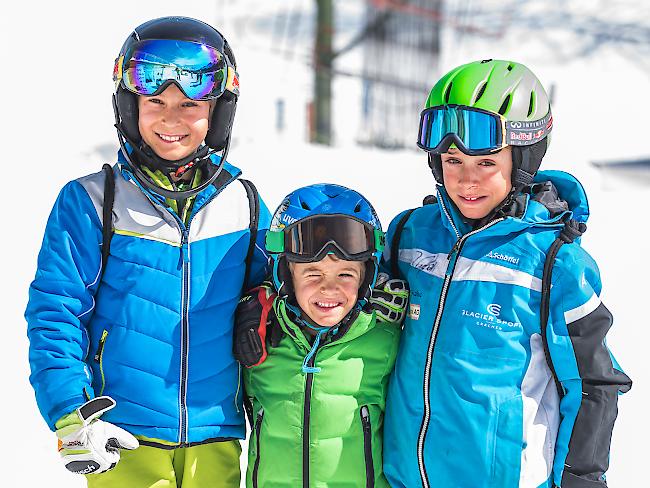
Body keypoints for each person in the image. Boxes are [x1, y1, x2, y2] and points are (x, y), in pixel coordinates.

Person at [25, 16, 270, 487]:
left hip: (215, 441)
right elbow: (55, 313)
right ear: (128, 106)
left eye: (190, 105)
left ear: (218, 113)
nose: (171, 119)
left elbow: (270, 305)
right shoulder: (95, 202)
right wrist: (71, 414)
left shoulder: (243, 203)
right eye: (154, 101)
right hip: (120, 439)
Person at [382, 59, 632, 488]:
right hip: (405, 477)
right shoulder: (408, 235)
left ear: (523, 160)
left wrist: (581, 478)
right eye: (453, 161)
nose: (466, 180)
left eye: (485, 163)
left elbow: (594, 384)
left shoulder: (554, 263)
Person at [233, 184, 403, 487]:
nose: (329, 288)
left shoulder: (387, 340)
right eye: (312, 273)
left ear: (367, 277)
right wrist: (252, 302)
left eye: (346, 274)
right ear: (285, 275)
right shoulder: (260, 337)